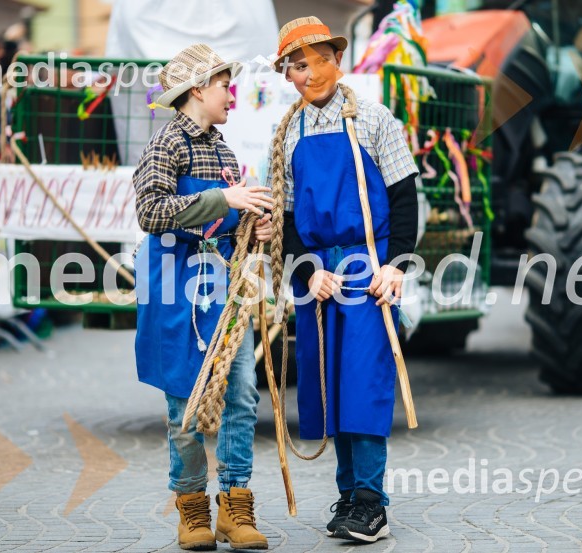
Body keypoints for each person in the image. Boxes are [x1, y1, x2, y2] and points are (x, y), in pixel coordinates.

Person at [258, 16, 419, 544]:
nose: (310, 73)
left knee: (363, 384)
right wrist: (309, 270)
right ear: (287, 75)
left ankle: (372, 503)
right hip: (319, 280)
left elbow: (403, 198)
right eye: (297, 65)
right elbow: (283, 220)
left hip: (369, 274)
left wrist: (396, 266)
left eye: (318, 60)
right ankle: (348, 496)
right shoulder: (286, 135)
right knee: (326, 386)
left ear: (337, 61)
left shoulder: (375, 120)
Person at [132, 43, 274, 551]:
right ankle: (190, 508)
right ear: (198, 90)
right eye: (223, 86)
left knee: (241, 394)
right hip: (176, 294)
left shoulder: (225, 151)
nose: (232, 95)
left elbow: (226, 219)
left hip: (225, 293)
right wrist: (224, 200)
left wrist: (252, 226)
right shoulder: (165, 145)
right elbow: (149, 211)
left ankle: (235, 507)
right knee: (184, 405)